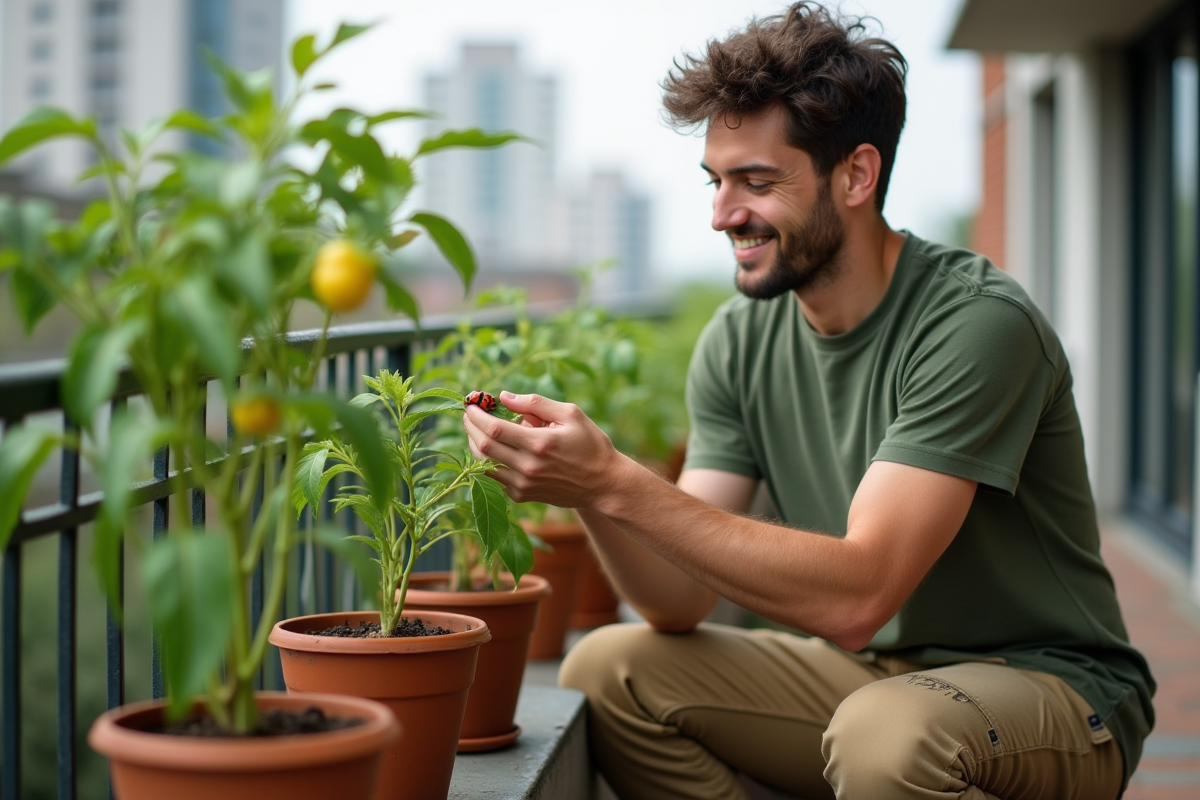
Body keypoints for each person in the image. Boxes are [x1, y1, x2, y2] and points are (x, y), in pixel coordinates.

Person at [462, 3, 1155, 798]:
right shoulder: (739, 339)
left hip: (1049, 690)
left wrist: (618, 482)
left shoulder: (976, 323)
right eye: (717, 181)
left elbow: (862, 593)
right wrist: (588, 490)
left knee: (886, 737)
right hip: (867, 678)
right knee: (608, 667)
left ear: (856, 174)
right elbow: (678, 601)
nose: (723, 215)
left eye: (757, 182)